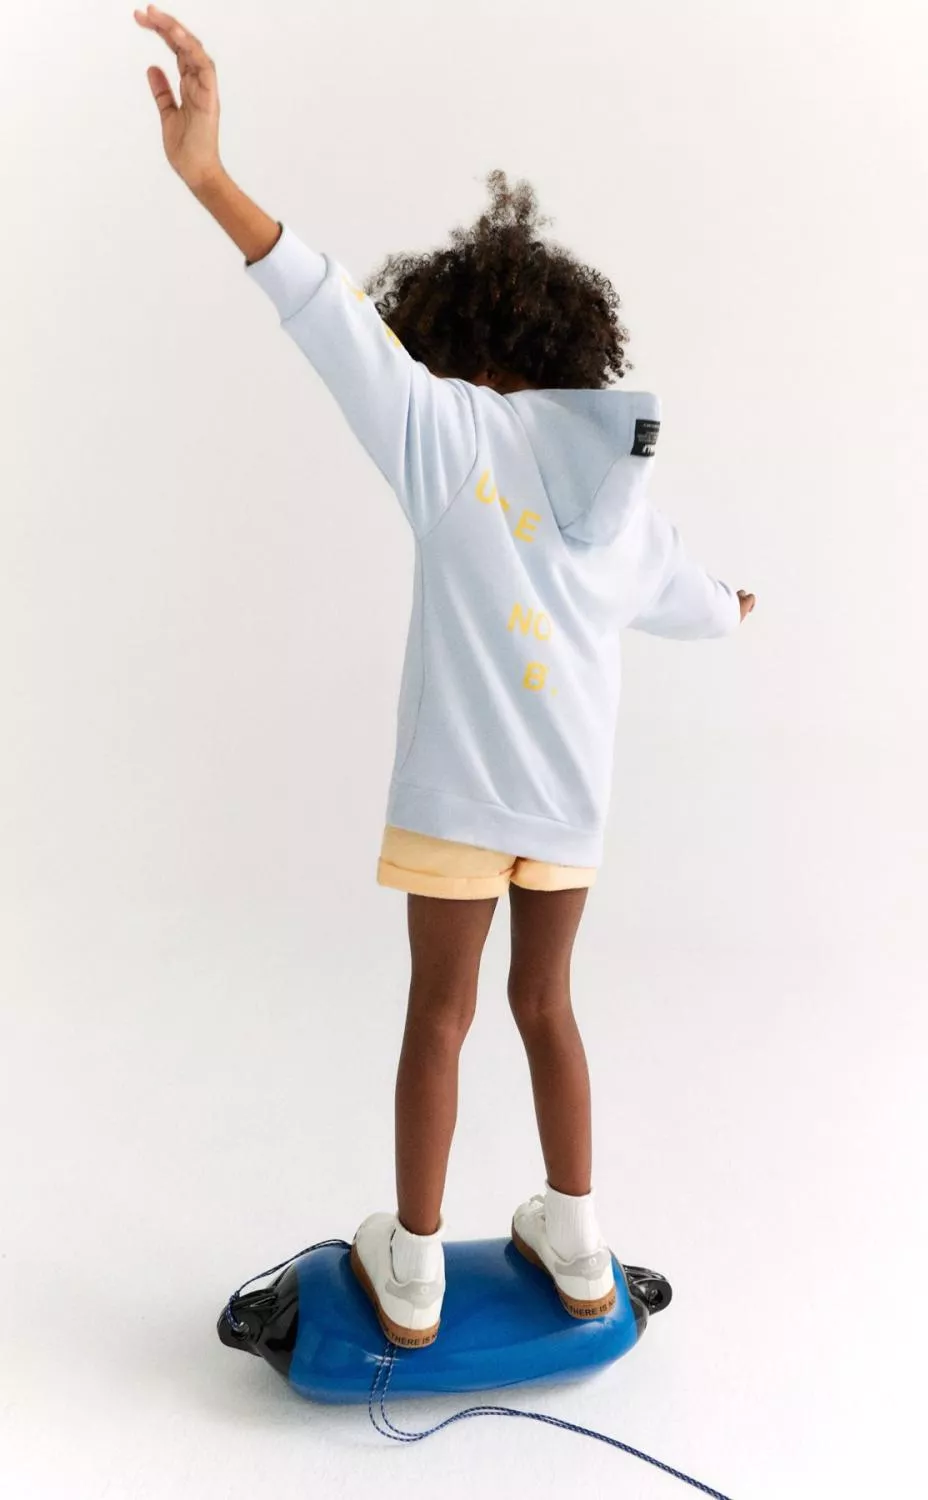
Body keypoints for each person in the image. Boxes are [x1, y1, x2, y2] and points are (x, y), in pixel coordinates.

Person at [135, 6, 757, 1350]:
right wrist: (741, 606)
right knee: (548, 1006)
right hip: (569, 810)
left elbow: (326, 310)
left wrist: (208, 175)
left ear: (466, 346)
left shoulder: (447, 429)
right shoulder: (623, 499)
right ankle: (577, 1241)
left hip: (458, 801)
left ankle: (411, 1269)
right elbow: (697, 599)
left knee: (442, 1012)